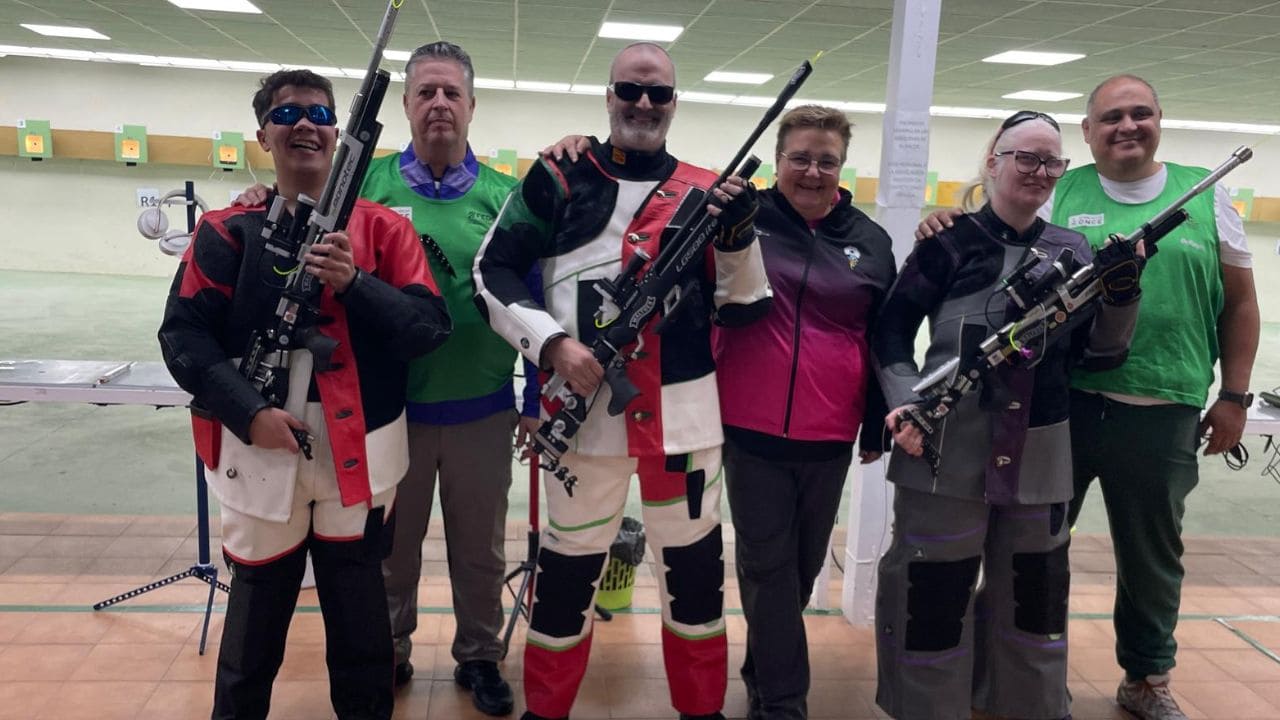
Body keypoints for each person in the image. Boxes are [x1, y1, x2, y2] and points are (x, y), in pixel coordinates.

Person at [916, 76, 1261, 720]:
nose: (1126, 126)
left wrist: (1235, 396)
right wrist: (943, 217)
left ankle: (1147, 676)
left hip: (1164, 406)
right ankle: (1015, 676)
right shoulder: (1059, 192)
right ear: (1088, 131)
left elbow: (1240, 304)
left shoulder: (1208, 196)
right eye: (1111, 117)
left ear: (1160, 119)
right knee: (1029, 551)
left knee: (1152, 555)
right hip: (1060, 405)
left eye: (1140, 114)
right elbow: (998, 237)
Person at [236, 41, 537, 716]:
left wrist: (538, 396)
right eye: (424, 92)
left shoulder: (503, 197)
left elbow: (533, 299)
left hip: (482, 409)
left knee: (481, 549)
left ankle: (480, 656)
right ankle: (391, 647)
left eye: (450, 93)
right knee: (388, 552)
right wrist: (258, 197)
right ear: (404, 105)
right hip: (384, 411)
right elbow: (288, 215)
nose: (437, 105)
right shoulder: (361, 185)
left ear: (470, 107)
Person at [473, 41, 772, 720]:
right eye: (630, 91)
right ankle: (546, 711)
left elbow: (746, 306)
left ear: (674, 104)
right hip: (581, 415)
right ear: (608, 95)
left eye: (658, 94)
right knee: (564, 583)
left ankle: (703, 710)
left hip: (685, 422)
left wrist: (738, 234)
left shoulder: (706, 190)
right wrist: (552, 345)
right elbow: (489, 273)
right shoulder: (558, 176)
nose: (644, 104)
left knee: (695, 584)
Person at [158, 68, 451, 720]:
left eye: (319, 113)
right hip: (257, 453)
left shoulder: (385, 233)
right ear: (262, 135)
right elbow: (182, 339)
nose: (305, 125)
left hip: (361, 459)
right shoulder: (226, 231)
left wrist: (355, 283)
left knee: (362, 636)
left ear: (337, 132)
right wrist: (249, 412)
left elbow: (428, 329)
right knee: (250, 642)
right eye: (286, 115)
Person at [874, 110, 1143, 720]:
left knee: (1035, 599)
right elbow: (889, 331)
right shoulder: (945, 242)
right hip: (943, 448)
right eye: (1025, 157)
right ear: (994, 161)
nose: (1038, 172)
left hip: (1040, 456)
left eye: (1052, 162)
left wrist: (1123, 297)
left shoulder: (1071, 251)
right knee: (931, 598)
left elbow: (1100, 356)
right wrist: (905, 402)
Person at [711, 105, 895, 720]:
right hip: (749, 423)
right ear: (780, 161)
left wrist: (876, 416)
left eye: (827, 160)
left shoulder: (869, 240)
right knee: (766, 562)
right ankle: (785, 702)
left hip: (829, 432)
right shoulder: (745, 217)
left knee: (800, 568)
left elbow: (882, 336)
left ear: (841, 166)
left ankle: (762, 667)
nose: (813, 171)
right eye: (800, 158)